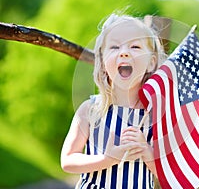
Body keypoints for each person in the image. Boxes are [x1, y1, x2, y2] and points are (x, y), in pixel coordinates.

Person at [60, 13, 165, 189]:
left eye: (135, 47)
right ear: (102, 60)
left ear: (151, 63)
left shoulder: (155, 115)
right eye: (115, 47)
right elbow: (68, 160)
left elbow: (168, 175)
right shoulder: (91, 109)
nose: (124, 52)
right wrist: (108, 159)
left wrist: (148, 153)